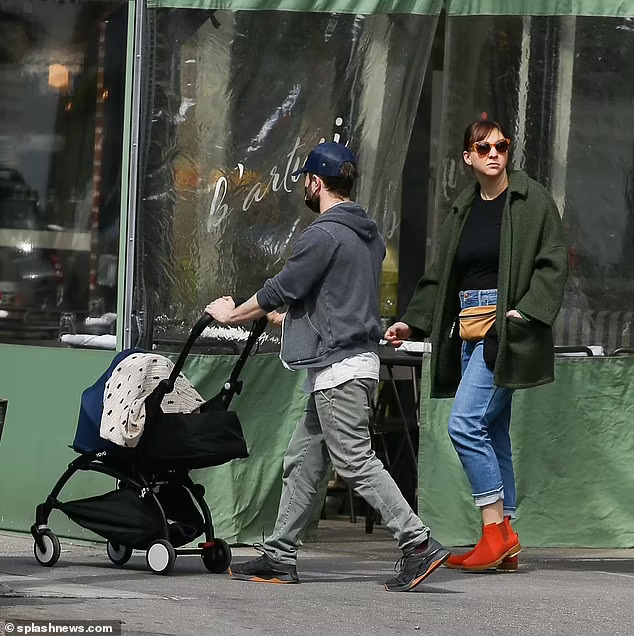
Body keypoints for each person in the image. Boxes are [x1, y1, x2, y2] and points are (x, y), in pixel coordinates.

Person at [205, 141, 450, 591]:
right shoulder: (367, 236)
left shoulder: (323, 234)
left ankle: (417, 542)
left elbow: (282, 288)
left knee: (354, 460)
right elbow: (337, 301)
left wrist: (233, 314)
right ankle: (279, 555)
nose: (304, 186)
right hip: (347, 364)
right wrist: (290, 320)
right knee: (302, 459)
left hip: (339, 371)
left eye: (305, 180)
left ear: (316, 182)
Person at [385, 120, 568, 571]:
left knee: (465, 425)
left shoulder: (531, 199)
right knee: (493, 429)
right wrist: (413, 322)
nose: (494, 154)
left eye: (501, 146)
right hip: (468, 330)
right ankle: (506, 535)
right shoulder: (464, 207)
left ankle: (491, 533)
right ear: (467, 156)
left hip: (504, 331)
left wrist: (525, 313)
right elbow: (441, 274)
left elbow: (553, 262)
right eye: (483, 147)